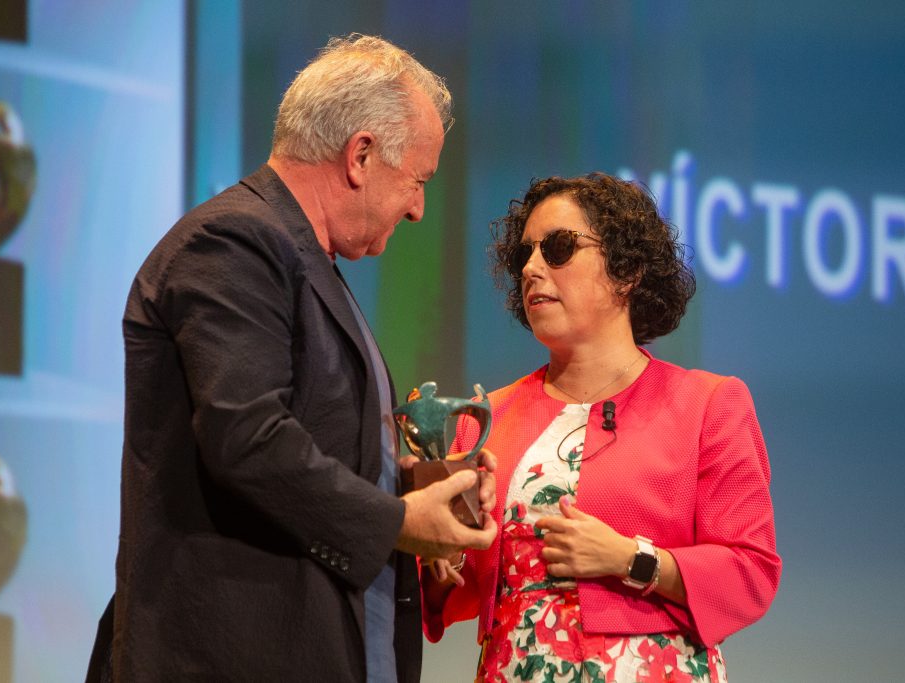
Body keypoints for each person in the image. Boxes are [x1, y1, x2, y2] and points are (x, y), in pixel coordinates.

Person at [92, 35, 497, 682]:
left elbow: (307, 438)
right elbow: (248, 438)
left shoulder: (305, 260)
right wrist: (398, 520)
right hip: (229, 654)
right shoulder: (233, 242)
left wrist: (413, 483)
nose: (419, 208)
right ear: (361, 155)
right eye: (417, 180)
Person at [422, 173, 781, 682]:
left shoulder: (708, 405)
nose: (531, 268)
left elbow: (750, 574)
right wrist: (444, 561)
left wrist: (629, 558)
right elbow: (450, 593)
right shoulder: (484, 420)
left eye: (559, 248)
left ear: (627, 269)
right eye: (524, 254)